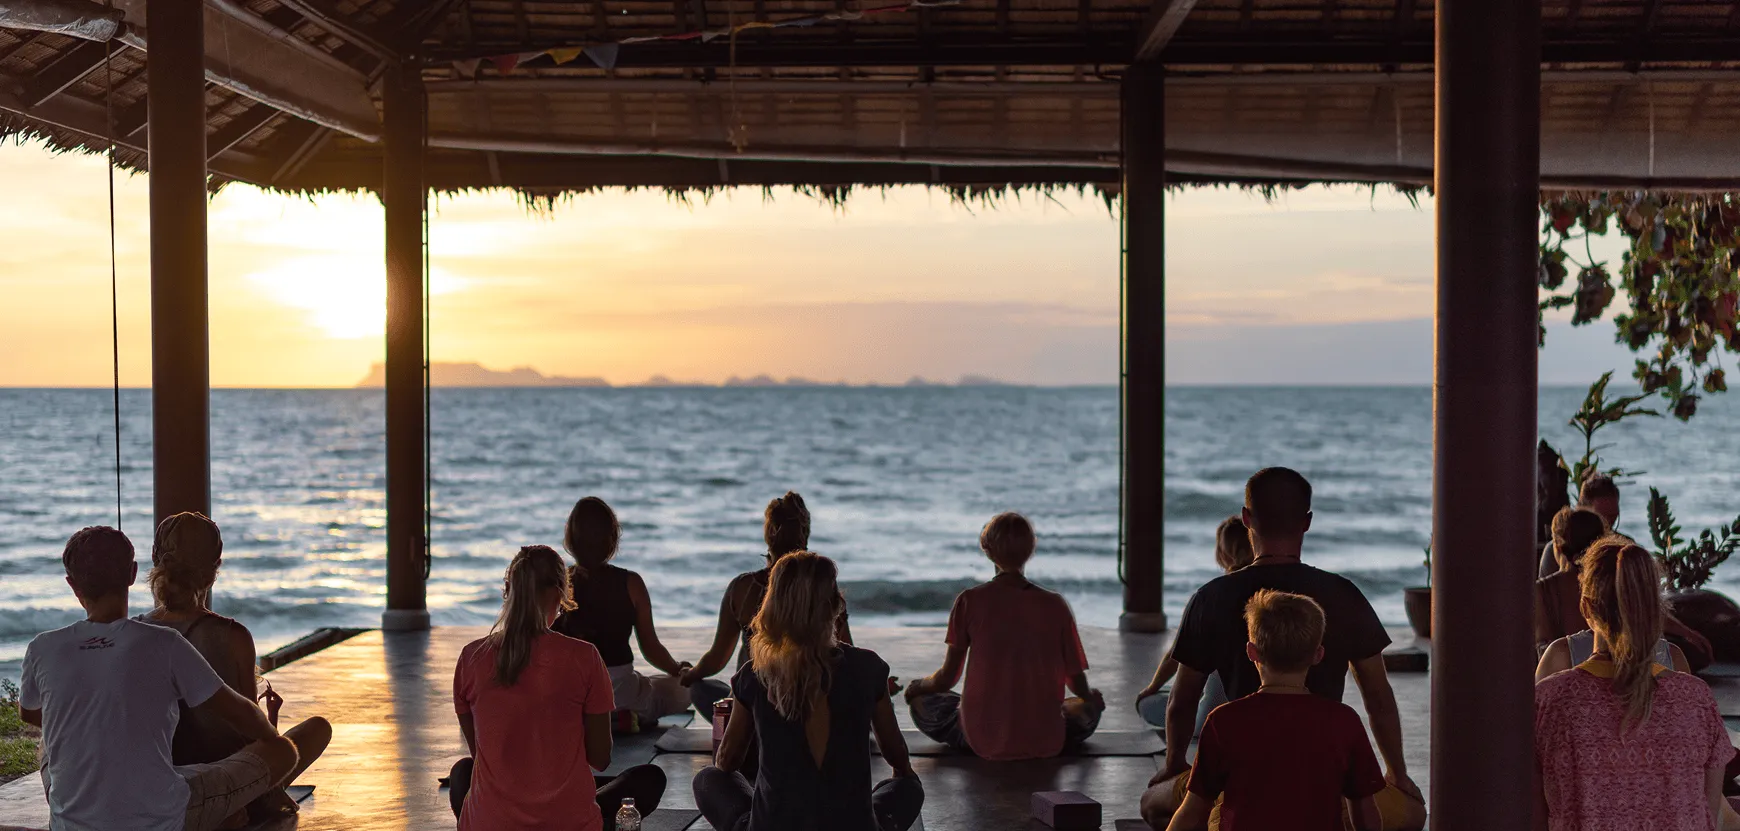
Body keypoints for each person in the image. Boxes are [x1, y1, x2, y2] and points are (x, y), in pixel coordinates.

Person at [1139, 468, 1425, 831]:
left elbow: (1181, 699)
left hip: (1238, 790)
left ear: (1246, 519)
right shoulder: (1344, 594)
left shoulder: (1211, 598)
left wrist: (1174, 762)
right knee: (1413, 813)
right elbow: (1378, 696)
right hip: (1329, 788)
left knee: (1154, 802)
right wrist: (1396, 773)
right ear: (1307, 522)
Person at [20, 526, 301, 831]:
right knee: (284, 750)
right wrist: (269, 731)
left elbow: (32, 713)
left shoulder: (42, 647)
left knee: (51, 742)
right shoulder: (164, 643)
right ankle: (221, 815)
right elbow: (243, 715)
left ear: (72, 585)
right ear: (133, 573)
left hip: (71, 823)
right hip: (162, 818)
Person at [692, 551, 923, 831]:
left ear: (773, 606)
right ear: (836, 605)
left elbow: (728, 762)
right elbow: (896, 755)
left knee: (709, 779)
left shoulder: (755, 674)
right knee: (908, 787)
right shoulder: (868, 667)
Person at [450, 545, 666, 831]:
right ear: (560, 595)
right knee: (648, 778)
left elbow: (482, 755)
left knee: (463, 771)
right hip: (566, 822)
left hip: (490, 822)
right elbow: (600, 759)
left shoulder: (471, 657)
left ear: (507, 591)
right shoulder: (584, 657)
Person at [136, 512, 332, 820]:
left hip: (162, 776)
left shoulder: (135, 632)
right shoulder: (233, 636)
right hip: (226, 779)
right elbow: (246, 733)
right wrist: (271, 720)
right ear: (213, 572)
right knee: (318, 728)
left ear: (155, 561)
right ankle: (251, 802)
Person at [1535, 538, 1735, 830]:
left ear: (1586, 607)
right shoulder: (1695, 700)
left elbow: (1533, 815)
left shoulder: (1551, 702)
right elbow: (1709, 815)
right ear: (1654, 610)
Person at [1161, 590, 1384, 831]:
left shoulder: (1224, 721)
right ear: (1318, 655)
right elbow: (1365, 815)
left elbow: (1193, 811)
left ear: (1251, 651)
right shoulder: (1343, 721)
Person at [903, 512, 1104, 759]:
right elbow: (1076, 680)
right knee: (1087, 709)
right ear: (1031, 550)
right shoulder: (1055, 605)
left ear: (987, 550)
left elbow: (946, 679)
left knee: (922, 703)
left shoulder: (969, 601)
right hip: (1045, 739)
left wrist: (919, 686)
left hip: (980, 738)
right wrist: (1089, 698)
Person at [683, 492, 853, 723]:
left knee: (700, 689)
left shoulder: (743, 588)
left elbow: (717, 658)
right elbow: (846, 653)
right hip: (814, 706)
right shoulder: (824, 587)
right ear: (805, 535)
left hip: (754, 707)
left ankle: (746, 730)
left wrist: (690, 675)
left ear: (770, 533)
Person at [552, 496, 692, 726]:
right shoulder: (631, 583)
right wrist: (680, 671)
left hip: (572, 695)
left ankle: (592, 719)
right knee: (683, 692)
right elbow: (651, 648)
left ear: (571, 540)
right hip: (622, 692)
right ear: (612, 538)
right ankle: (618, 718)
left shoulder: (559, 583)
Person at [1133, 516, 1252, 732]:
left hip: (1210, 722)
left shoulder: (1210, 595)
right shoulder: (1272, 595)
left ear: (1222, 554)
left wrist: (1152, 687)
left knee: (1148, 703)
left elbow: (1176, 655)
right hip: (1261, 714)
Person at [1534, 507, 1611, 649]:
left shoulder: (1542, 592)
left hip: (1554, 669)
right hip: (1607, 670)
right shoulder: (1612, 585)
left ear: (1557, 546)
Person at [1537, 475, 1622, 579]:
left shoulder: (1624, 548)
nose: (1608, 524)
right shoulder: (1557, 551)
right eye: (1602, 519)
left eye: (1613, 516)